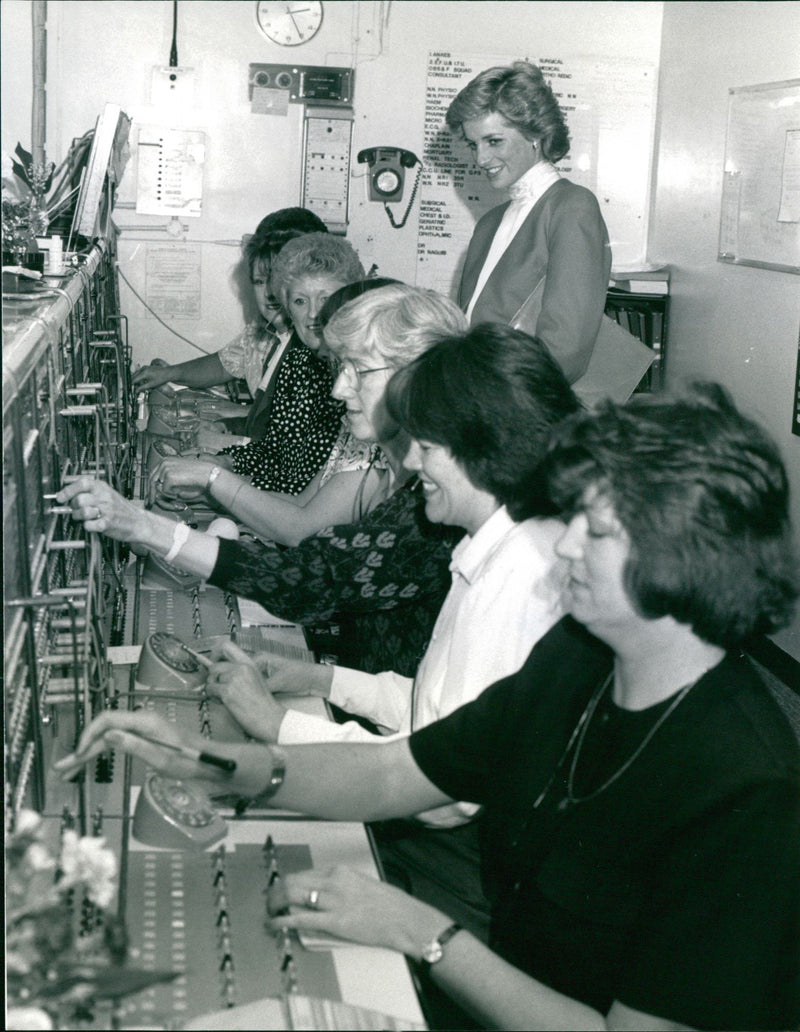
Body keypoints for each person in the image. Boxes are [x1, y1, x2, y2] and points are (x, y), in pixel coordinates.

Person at [57, 384, 800, 1031]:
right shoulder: (578, 660)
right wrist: (201, 760)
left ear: (683, 552)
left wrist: (425, 935)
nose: (565, 547)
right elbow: (393, 773)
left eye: (596, 531)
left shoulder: (748, 790)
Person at [205, 325, 580, 937]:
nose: (408, 461)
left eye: (425, 446)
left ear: (483, 449)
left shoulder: (519, 577)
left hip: (471, 866)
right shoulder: (493, 546)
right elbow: (448, 716)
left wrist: (277, 729)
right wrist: (322, 679)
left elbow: (444, 794)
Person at [56, 285, 468, 676]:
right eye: (341, 369)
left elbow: (308, 580)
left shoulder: (436, 499)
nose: (340, 389)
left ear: (415, 376)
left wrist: (147, 527)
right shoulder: (408, 473)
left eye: (358, 370)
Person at [145, 280, 396, 548]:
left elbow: (301, 528)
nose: (337, 389)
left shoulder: (380, 448)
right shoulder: (360, 431)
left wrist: (213, 478)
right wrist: (211, 490)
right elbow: (302, 504)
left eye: (356, 370)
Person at [150, 232, 365, 499]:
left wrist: (217, 481)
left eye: (325, 299)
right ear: (286, 305)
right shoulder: (297, 364)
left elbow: (303, 497)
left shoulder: (357, 381)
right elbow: (274, 452)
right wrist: (225, 462)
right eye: (300, 301)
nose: (313, 315)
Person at [447, 61, 611, 385]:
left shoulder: (572, 207)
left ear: (534, 133)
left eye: (494, 141)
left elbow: (564, 354)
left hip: (520, 411)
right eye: (473, 144)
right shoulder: (489, 224)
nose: (480, 159)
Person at [132, 207, 327, 443]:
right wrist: (170, 373)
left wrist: (240, 416)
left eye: (279, 278)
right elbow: (227, 363)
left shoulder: (315, 344)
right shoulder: (270, 333)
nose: (269, 293)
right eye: (259, 281)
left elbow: (301, 433)